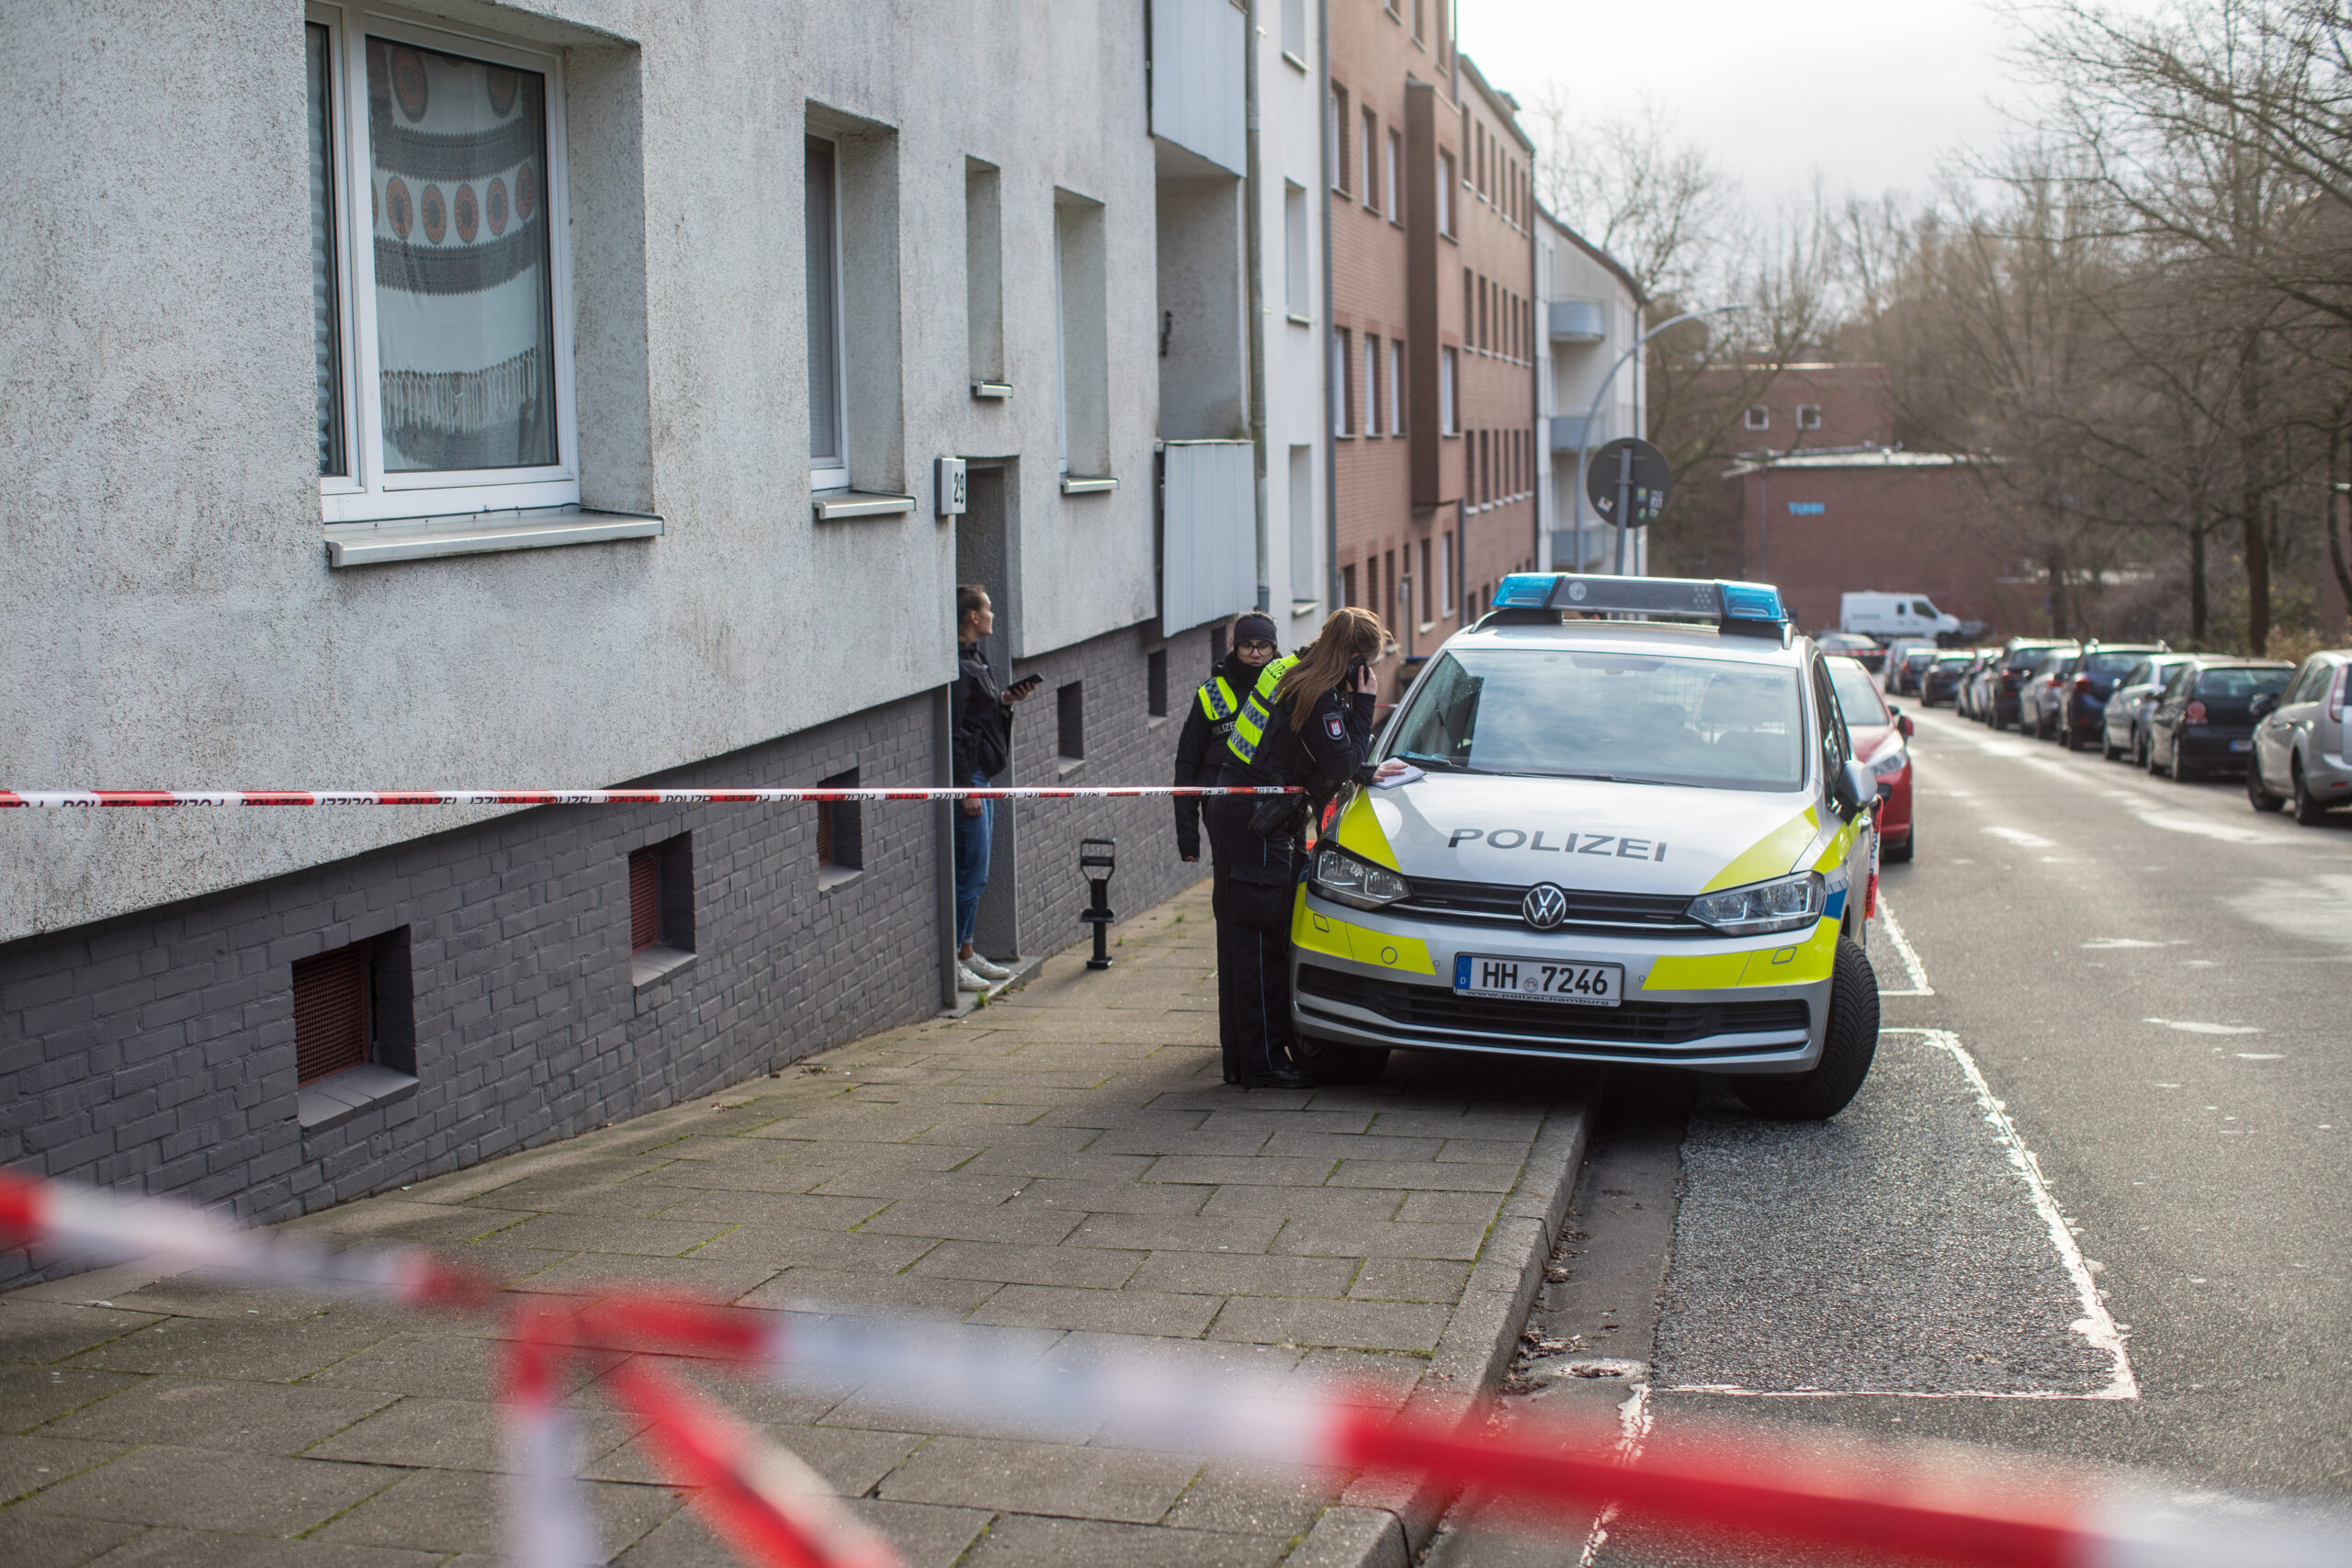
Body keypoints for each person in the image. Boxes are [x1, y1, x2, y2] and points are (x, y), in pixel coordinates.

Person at [1204, 607, 1394, 1088]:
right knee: (1262, 946)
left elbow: (1306, 755)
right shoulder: (1317, 693)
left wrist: (1361, 770)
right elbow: (1341, 756)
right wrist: (1363, 704)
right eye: (1365, 664)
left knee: (1241, 944)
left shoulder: (1290, 669)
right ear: (1353, 660)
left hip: (1241, 816)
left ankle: (1243, 1062)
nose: (1366, 674)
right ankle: (1264, 1066)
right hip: (1257, 828)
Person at [950, 585, 1035, 993]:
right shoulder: (959, 668)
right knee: (969, 875)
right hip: (972, 784)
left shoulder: (975, 660)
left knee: (979, 875)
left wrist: (1005, 700)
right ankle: (955, 959)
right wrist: (967, 789)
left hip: (984, 779)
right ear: (972, 616)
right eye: (987, 609)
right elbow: (955, 733)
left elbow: (981, 717)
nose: (993, 616)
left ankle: (968, 950)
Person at [1171, 613, 1282, 863]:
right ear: (1234, 646)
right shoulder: (1211, 692)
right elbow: (1187, 763)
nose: (1255, 654)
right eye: (1247, 646)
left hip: (1277, 807)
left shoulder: (1288, 688)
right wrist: (1188, 839)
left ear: (1274, 649)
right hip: (1223, 809)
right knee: (1230, 888)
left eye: (1263, 646)